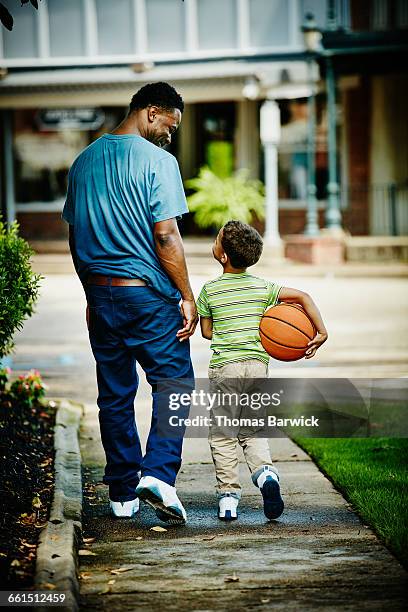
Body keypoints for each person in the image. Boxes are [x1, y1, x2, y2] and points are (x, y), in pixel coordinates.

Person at [62, 82, 197, 525]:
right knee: (175, 382)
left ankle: (123, 493)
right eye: (169, 126)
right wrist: (187, 294)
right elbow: (166, 235)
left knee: (115, 394)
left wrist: (90, 292)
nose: (170, 136)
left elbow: (75, 233)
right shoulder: (159, 162)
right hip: (147, 296)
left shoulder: (82, 162)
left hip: (101, 294)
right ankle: (158, 474)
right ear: (151, 112)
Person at [196, 220, 328, 521]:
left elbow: (207, 333)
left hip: (225, 369)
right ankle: (266, 475)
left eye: (217, 240)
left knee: (222, 434)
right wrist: (320, 332)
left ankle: (228, 497)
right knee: (253, 430)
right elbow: (303, 297)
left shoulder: (210, 290)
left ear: (223, 256)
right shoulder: (262, 287)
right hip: (257, 367)